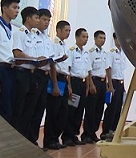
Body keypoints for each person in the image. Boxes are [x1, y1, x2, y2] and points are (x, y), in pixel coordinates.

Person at [11, 6, 57, 145]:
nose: (44, 22)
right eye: (39, 18)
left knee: (37, 109)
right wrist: (36, 59)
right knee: (23, 109)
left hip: (40, 73)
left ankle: (31, 139)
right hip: (27, 72)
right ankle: (20, 140)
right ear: (28, 18)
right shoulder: (23, 33)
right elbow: (18, 53)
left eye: (48, 20)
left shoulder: (42, 37)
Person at [29, 8, 57, 146]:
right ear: (37, 19)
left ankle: (34, 139)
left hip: (45, 76)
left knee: (40, 108)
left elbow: (51, 61)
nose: (46, 23)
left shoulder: (47, 39)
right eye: (44, 19)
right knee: (31, 107)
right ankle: (28, 138)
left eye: (49, 20)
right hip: (35, 74)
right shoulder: (32, 36)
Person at [43, 20, 71, 150]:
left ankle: (55, 138)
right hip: (56, 78)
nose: (68, 33)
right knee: (53, 111)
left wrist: (69, 86)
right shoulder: (53, 44)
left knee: (63, 111)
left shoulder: (64, 45)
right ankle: (49, 140)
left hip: (64, 79)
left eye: (69, 31)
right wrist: (54, 85)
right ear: (58, 30)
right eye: (66, 30)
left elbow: (66, 68)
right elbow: (52, 65)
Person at [63, 28, 93, 146]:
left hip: (83, 84)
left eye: (87, 37)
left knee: (80, 111)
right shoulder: (71, 51)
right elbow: (68, 70)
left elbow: (88, 71)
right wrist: (69, 86)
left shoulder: (86, 53)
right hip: (74, 83)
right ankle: (67, 136)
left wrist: (87, 86)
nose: (85, 39)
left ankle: (74, 135)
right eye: (83, 37)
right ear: (77, 37)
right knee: (71, 110)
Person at [83, 30, 112, 143]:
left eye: (104, 38)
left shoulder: (104, 53)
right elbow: (89, 70)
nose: (102, 40)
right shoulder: (91, 52)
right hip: (94, 81)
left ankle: (93, 132)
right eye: (100, 38)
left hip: (102, 83)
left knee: (99, 109)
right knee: (91, 109)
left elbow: (106, 69)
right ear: (95, 39)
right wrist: (91, 84)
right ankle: (87, 134)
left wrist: (108, 85)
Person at [101, 32, 128, 136]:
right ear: (115, 39)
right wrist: (110, 85)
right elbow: (108, 68)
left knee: (118, 108)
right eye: (119, 39)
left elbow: (121, 71)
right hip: (114, 82)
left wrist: (123, 86)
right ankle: (106, 131)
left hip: (120, 83)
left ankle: (114, 130)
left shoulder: (122, 53)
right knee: (111, 108)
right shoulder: (111, 53)